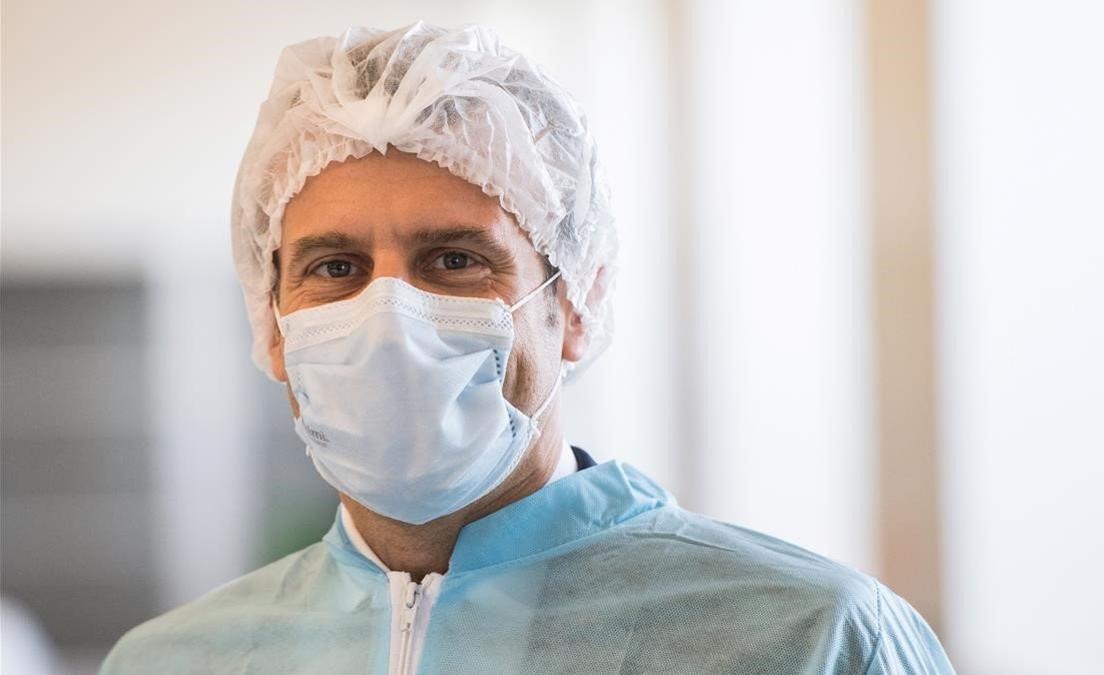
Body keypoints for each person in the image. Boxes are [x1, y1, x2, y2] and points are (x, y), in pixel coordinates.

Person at [101, 21, 955, 674]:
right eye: (335, 266)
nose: (390, 313)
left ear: (573, 304)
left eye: (455, 259)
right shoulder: (176, 661)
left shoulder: (805, 638)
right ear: (271, 320)